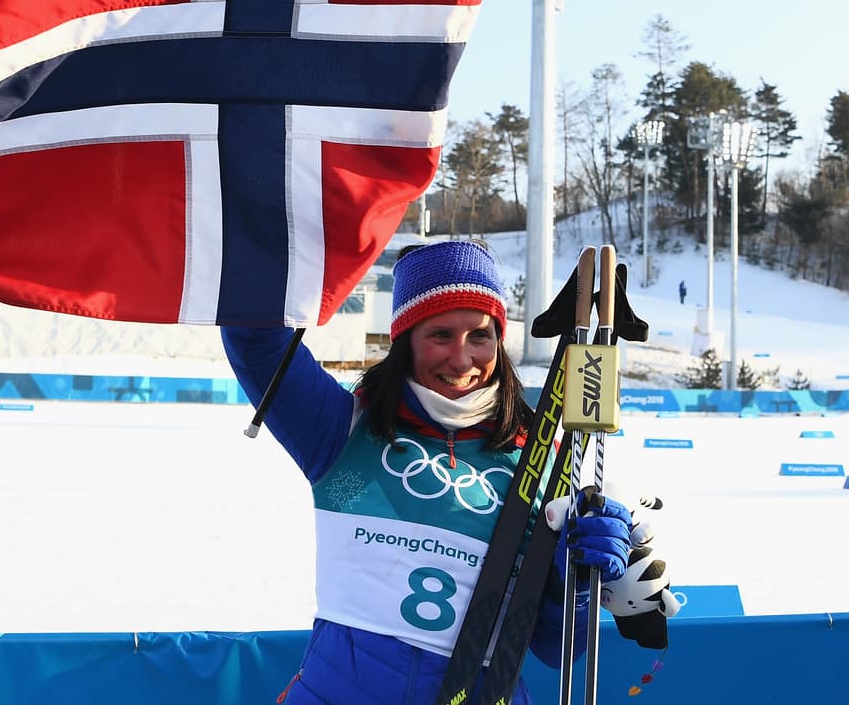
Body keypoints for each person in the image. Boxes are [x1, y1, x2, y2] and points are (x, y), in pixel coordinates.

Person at [222, 240, 635, 705]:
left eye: (480, 335)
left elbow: (558, 650)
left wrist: (575, 581)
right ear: (405, 341)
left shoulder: (539, 461)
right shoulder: (342, 429)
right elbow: (255, 339)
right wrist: (280, 223)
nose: (461, 360)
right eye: (440, 335)